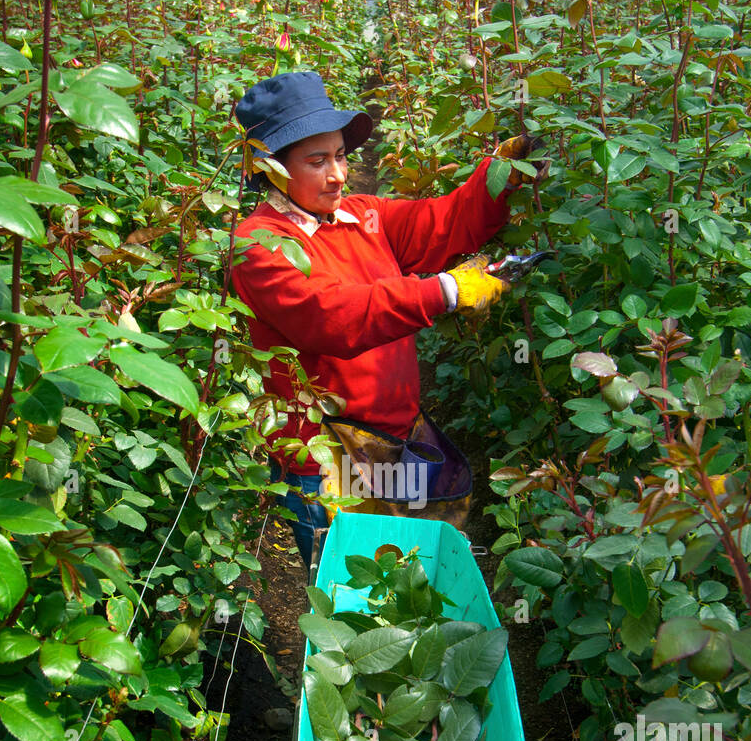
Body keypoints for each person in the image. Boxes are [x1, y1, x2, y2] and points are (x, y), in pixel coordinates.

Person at [233, 71, 547, 566]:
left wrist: (499, 176)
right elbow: (332, 315)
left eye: (339, 155)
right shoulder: (260, 245)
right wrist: (445, 290)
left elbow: (443, 223)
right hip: (324, 455)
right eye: (317, 161)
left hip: (396, 436)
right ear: (271, 168)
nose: (338, 174)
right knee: (352, 591)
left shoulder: (364, 216)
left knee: (412, 571)